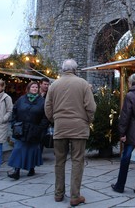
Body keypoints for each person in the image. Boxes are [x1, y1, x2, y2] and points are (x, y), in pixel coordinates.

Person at [44, 59, 96, 207]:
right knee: (77, 161)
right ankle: (75, 196)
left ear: (63, 69)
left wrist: (56, 120)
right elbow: (91, 107)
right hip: (79, 128)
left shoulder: (54, 85)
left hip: (60, 127)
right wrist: (88, 121)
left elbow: (47, 108)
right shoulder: (83, 84)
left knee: (59, 162)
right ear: (75, 69)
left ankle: (58, 194)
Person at [7, 81, 48, 180]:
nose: (34, 89)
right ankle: (16, 171)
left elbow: (45, 117)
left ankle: (31, 168)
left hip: (35, 130)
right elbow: (14, 111)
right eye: (32, 87)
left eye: (36, 87)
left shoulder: (42, 101)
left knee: (32, 150)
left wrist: (40, 128)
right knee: (18, 149)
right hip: (21, 129)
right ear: (28, 88)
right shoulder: (21, 99)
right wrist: (13, 124)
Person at [39, 77, 51, 155]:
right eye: (45, 84)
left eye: (47, 84)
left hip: (44, 120)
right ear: (40, 84)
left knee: (41, 138)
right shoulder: (35, 93)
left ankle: (39, 155)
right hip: (35, 119)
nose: (46, 86)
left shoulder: (49, 94)